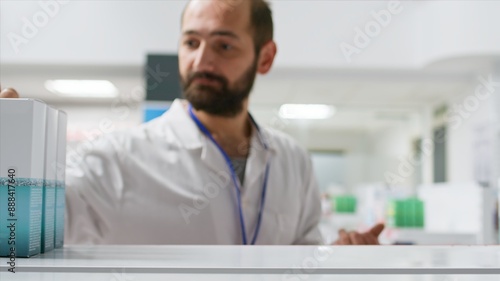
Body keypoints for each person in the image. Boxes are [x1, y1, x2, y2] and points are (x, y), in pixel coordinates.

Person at [0, 0, 384, 245]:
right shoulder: (117, 158)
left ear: (264, 57)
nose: (201, 61)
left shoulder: (293, 160)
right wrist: (8, 151)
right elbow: (23, 223)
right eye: (191, 43)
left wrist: (338, 256)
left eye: (224, 45)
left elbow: (303, 251)